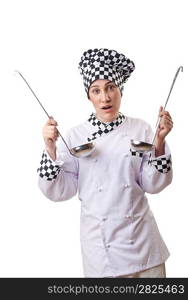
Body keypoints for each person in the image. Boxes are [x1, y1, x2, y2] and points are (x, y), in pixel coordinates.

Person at [37, 48, 173, 278]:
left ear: (120, 90)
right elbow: (60, 191)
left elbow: (154, 185)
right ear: (88, 95)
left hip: (143, 245)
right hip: (102, 253)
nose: (105, 97)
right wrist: (50, 147)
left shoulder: (141, 128)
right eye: (96, 90)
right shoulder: (74, 137)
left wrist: (159, 141)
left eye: (111, 87)